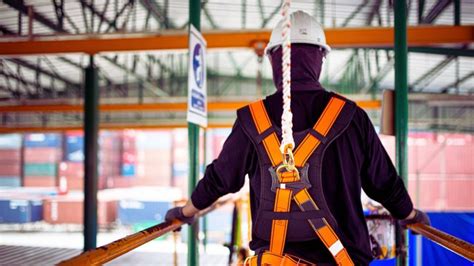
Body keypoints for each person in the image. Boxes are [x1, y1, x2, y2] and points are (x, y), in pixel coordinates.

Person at [165, 11, 430, 265]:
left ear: (273, 60)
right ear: (321, 59)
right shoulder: (352, 117)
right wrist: (410, 215)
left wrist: (185, 213)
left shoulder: (252, 120)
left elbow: (219, 180)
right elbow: (384, 183)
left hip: (276, 261)